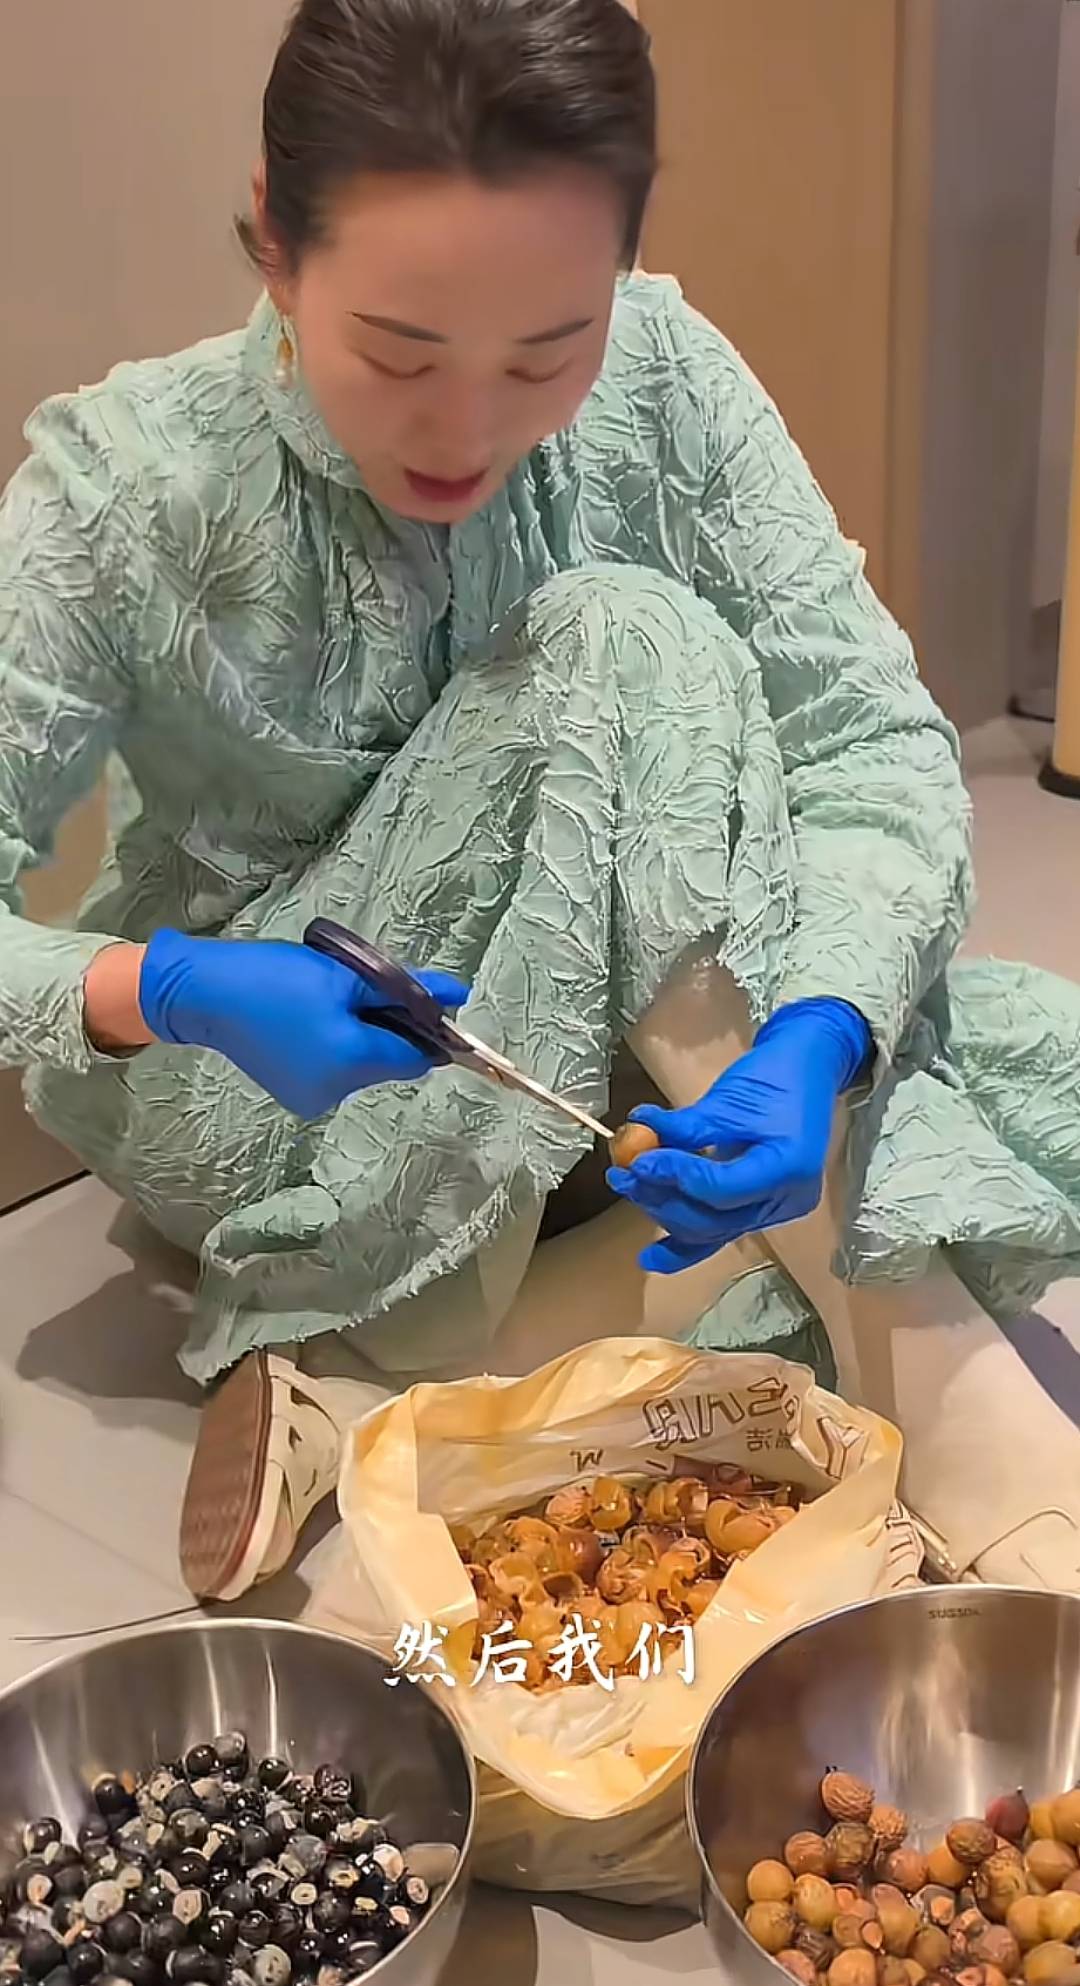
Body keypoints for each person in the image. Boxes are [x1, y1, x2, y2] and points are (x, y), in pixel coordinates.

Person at [2, 0, 1079, 1604]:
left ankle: (360, 1387)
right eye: (400, 352)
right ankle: (968, 1415)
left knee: (1016, 1058)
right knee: (623, 642)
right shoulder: (130, 488)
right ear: (275, 242)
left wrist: (815, 1035)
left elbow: (870, 736)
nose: (471, 429)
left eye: (547, 353)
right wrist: (162, 985)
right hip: (267, 1098)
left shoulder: (667, 371)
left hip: (584, 1071)